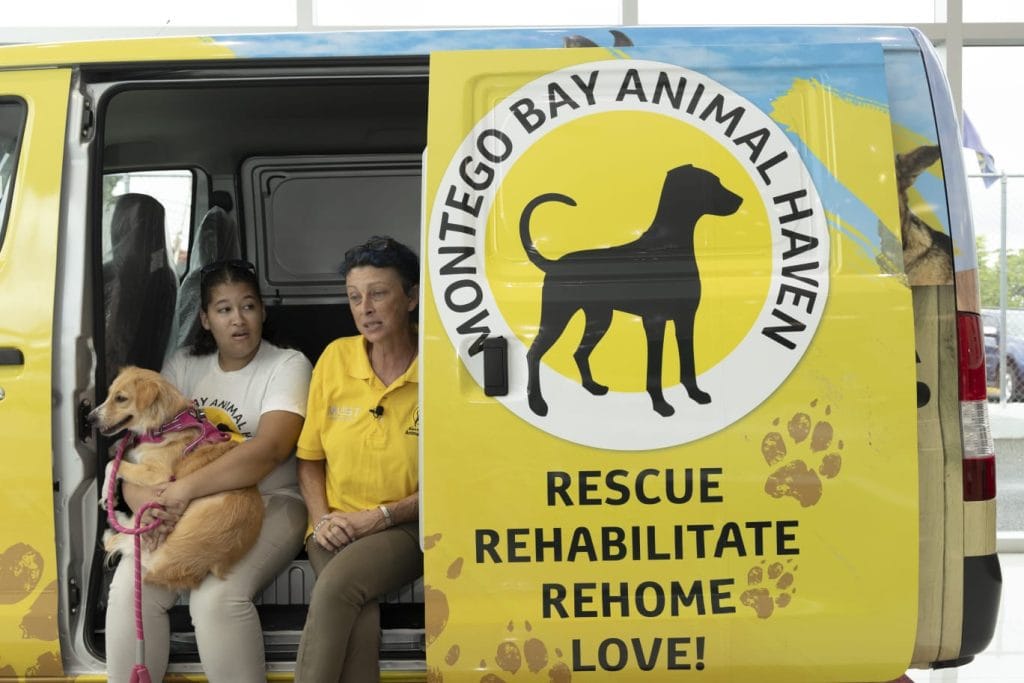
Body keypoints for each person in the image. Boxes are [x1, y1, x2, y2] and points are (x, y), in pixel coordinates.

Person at [105, 259, 312, 682]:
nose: (238, 320)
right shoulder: (183, 366)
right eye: (223, 309)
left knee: (216, 599)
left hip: (272, 500)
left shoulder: (287, 365)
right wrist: (150, 507)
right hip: (181, 505)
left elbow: (268, 450)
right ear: (204, 319)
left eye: (248, 306)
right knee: (132, 588)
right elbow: (144, 451)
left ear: (262, 311)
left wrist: (180, 494)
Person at [294, 236, 423, 682]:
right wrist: (323, 519)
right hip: (333, 526)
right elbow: (309, 460)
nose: (364, 307)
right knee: (358, 615)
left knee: (337, 588)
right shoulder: (334, 357)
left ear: (410, 298)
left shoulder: (440, 365)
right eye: (354, 297)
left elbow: (454, 480)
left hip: (409, 525)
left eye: (379, 293)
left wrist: (382, 517)